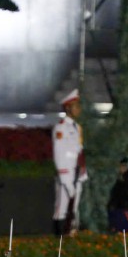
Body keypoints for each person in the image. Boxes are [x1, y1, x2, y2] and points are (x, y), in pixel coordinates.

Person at [53, 88, 86, 235]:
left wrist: (82, 172)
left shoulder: (77, 127)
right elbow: (59, 153)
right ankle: (59, 239)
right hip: (66, 174)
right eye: (75, 106)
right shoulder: (61, 128)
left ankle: (71, 235)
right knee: (62, 208)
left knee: (74, 208)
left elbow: (79, 150)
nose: (79, 109)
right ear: (67, 108)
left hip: (77, 171)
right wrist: (65, 177)